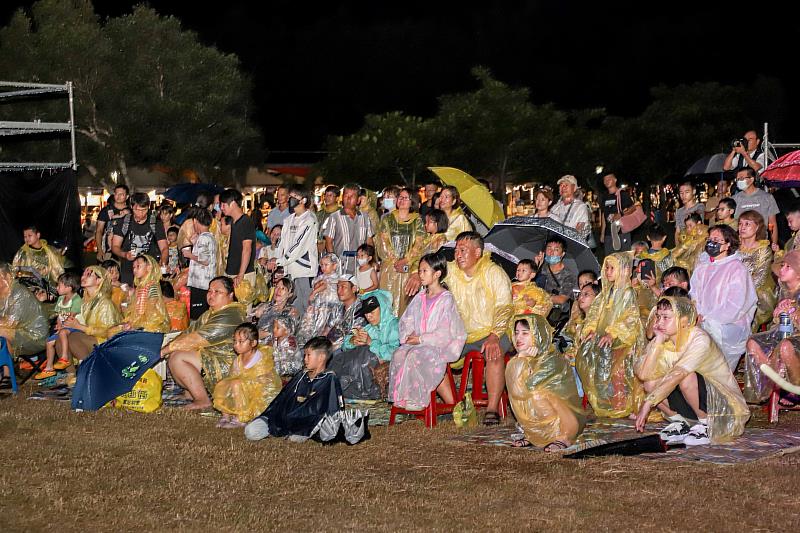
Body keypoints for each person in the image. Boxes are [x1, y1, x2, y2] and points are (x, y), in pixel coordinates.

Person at [634, 296, 750, 445]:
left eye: (666, 318)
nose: (659, 322)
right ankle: (681, 422)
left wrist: (648, 404)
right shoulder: (666, 339)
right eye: (658, 317)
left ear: (683, 320)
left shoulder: (699, 339)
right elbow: (644, 374)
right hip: (691, 395)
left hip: (720, 403)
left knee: (685, 376)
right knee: (650, 383)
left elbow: (679, 373)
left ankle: (706, 424)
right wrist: (657, 342)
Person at [446, 232, 513, 425]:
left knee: (494, 351)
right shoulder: (450, 271)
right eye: (456, 250)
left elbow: (504, 307)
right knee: (435, 352)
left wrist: (494, 336)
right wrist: (418, 274)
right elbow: (430, 268)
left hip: (493, 330)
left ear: (477, 252)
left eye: (463, 250)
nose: (458, 254)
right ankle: (454, 404)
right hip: (462, 335)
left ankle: (492, 408)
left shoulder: (493, 272)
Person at [388, 251, 466, 409]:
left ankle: (417, 398)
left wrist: (422, 339)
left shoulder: (446, 299)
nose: (420, 275)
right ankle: (401, 397)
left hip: (438, 346)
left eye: (425, 271)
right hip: (418, 342)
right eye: (419, 271)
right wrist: (409, 335)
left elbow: (445, 331)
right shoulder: (420, 296)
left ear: (437, 274)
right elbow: (407, 319)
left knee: (416, 356)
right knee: (399, 354)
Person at [577, 252, 645, 418]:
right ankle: (614, 405)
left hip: (623, 339)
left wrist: (613, 333)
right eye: (606, 268)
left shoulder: (627, 292)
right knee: (605, 371)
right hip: (605, 340)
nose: (607, 271)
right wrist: (591, 329)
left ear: (623, 270)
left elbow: (629, 317)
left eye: (612, 268)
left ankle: (624, 407)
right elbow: (594, 313)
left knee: (621, 373)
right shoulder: (606, 292)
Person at [161, 276, 246, 410]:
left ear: (231, 295)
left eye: (217, 292)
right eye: (209, 291)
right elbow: (189, 333)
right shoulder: (210, 313)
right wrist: (168, 346)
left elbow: (197, 338)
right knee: (176, 352)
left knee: (178, 357)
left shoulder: (231, 314)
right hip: (212, 356)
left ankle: (202, 400)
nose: (211, 295)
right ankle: (191, 393)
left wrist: (165, 350)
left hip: (227, 364)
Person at [507, 314, 586, 451]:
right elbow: (515, 390)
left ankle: (564, 438)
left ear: (538, 335)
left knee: (537, 394)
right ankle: (534, 435)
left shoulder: (551, 360)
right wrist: (520, 358)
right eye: (516, 333)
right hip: (542, 422)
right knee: (523, 396)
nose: (518, 338)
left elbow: (524, 389)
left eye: (525, 333)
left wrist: (520, 360)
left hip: (567, 423)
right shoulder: (523, 358)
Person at [244, 336, 345, 443]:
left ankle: (297, 432)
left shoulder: (329, 379)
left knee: (295, 439)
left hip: (305, 424)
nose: (305, 359)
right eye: (304, 355)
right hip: (283, 420)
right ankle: (282, 430)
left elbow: (333, 410)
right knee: (251, 431)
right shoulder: (301, 376)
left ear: (321, 357)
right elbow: (280, 401)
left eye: (308, 355)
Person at [689, 224, 757, 371]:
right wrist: (697, 312)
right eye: (710, 239)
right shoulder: (703, 265)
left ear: (727, 245)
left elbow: (736, 304)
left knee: (719, 372)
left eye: (716, 239)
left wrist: (707, 317)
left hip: (726, 326)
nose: (711, 242)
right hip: (702, 321)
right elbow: (694, 292)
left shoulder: (736, 268)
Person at [744, 250, 800, 402]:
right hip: (782, 333)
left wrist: (795, 312)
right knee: (752, 342)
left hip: (796, 338)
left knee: (785, 347)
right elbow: (778, 321)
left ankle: (793, 390)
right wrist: (779, 312)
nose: (782, 269)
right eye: (782, 265)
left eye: (788, 267)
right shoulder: (784, 290)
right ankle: (772, 374)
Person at [328, 290, 399, 400]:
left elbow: (396, 352)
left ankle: (347, 386)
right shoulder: (370, 328)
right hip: (364, 371)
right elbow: (345, 345)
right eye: (366, 313)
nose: (368, 316)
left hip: (388, 371)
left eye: (372, 312)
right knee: (340, 356)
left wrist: (371, 342)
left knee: (366, 353)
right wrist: (353, 341)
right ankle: (333, 384)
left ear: (383, 308)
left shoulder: (395, 326)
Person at [213, 322, 282, 428]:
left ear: (253, 343)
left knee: (237, 383)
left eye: (241, 342)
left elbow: (266, 380)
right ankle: (226, 416)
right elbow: (233, 376)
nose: (236, 345)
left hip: (259, 394)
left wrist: (244, 383)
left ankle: (241, 419)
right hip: (243, 391)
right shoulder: (238, 360)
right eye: (235, 341)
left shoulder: (261, 358)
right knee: (223, 384)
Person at [58, 266, 123, 367]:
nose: (83, 277)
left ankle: (89, 369)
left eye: (88, 274)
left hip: (104, 342)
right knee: (61, 338)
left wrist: (79, 327)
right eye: (83, 273)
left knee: (73, 338)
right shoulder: (83, 301)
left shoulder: (105, 303)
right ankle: (71, 375)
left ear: (99, 280)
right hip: (87, 337)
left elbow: (109, 332)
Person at [375, 187, 426, 315]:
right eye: (400, 197)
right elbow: (382, 241)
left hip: (408, 269)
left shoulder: (417, 221)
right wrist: (395, 260)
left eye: (406, 198)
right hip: (390, 268)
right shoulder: (387, 219)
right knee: (387, 305)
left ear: (412, 202)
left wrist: (406, 260)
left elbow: (419, 244)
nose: (402, 200)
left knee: (406, 306)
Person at [269, 187, 318, 317]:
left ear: (303, 200)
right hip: (290, 271)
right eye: (290, 196)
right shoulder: (289, 220)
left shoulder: (309, 220)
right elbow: (282, 244)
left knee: (306, 308)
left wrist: (279, 261)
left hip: (304, 271)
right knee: (292, 308)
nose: (291, 199)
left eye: (294, 196)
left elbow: (298, 246)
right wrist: (276, 260)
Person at [0, 263, 48, 381]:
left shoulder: (19, 292)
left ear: (7, 276)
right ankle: (7, 374)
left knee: (2, 331)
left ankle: (7, 373)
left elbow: (11, 322)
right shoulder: (3, 293)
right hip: (15, 331)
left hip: (35, 335)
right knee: (3, 333)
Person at [111, 192, 168, 286]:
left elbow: (164, 248)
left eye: (144, 210)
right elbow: (115, 246)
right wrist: (125, 254)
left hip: (149, 270)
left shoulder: (155, 223)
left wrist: (164, 261)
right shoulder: (124, 222)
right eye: (137, 210)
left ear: (148, 207)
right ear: (131, 207)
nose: (140, 213)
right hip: (128, 270)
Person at [34, 271, 83, 379]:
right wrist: (58, 324)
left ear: (69, 287)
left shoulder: (76, 299)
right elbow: (59, 315)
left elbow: (72, 316)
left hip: (75, 326)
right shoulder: (60, 299)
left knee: (63, 332)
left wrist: (62, 326)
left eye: (59, 285)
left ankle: (64, 357)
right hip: (64, 326)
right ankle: (49, 367)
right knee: (49, 342)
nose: (56, 288)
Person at [324, 183, 375, 276]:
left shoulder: (365, 217)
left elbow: (369, 241)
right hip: (341, 264)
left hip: (361, 263)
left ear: (358, 200)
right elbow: (328, 242)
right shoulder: (335, 217)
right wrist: (333, 262)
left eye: (352, 196)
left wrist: (372, 261)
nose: (348, 199)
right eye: (346, 195)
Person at [737, 210, 777, 330]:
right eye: (740, 224)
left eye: (747, 224)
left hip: (758, 291)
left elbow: (759, 278)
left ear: (757, 227)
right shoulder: (733, 247)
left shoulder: (763, 249)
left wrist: (739, 293)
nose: (742, 227)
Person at [111, 255, 170, 334]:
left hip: (152, 326)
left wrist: (135, 325)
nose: (135, 269)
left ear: (149, 268)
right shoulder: (139, 287)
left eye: (138, 266)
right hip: (140, 323)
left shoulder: (152, 286)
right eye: (133, 267)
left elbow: (151, 312)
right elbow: (134, 309)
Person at [296, 253, 343, 345]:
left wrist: (314, 292)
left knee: (327, 327)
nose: (323, 267)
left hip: (331, 307)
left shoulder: (336, 278)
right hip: (319, 307)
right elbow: (317, 284)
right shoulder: (321, 277)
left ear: (334, 266)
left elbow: (325, 285)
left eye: (326, 265)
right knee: (314, 325)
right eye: (321, 265)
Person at [182, 208, 218, 320]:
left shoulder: (203, 238)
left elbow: (205, 260)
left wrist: (189, 254)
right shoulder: (210, 236)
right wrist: (195, 243)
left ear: (196, 221)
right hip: (207, 282)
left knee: (197, 316)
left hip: (200, 283)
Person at [534, 236, 577, 326]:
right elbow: (529, 285)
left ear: (562, 254)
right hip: (535, 307)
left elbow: (561, 299)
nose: (551, 252)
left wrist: (539, 298)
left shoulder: (568, 275)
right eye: (549, 248)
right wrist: (536, 267)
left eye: (556, 249)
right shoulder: (541, 267)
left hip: (554, 313)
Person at [732, 167, 779, 247]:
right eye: (738, 179)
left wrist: (774, 243)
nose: (739, 181)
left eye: (742, 178)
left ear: (751, 179)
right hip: (741, 243)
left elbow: (772, 223)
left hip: (761, 242)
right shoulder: (734, 199)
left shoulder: (767, 197)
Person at [219, 189, 256, 290]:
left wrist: (241, 274)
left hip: (243, 275)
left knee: (244, 305)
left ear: (233, 203)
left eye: (223, 204)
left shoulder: (245, 221)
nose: (221, 208)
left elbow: (247, 249)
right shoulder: (234, 222)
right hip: (233, 273)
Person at [12, 225, 65, 289]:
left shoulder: (49, 250)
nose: (27, 239)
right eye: (25, 236)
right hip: (28, 287)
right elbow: (14, 268)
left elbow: (58, 268)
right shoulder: (22, 252)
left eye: (29, 236)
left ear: (38, 235)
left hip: (48, 287)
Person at [255, 277, 300, 343]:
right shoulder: (266, 306)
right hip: (258, 343)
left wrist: (259, 335)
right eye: (277, 287)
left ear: (290, 294)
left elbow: (286, 333)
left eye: (283, 288)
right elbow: (256, 315)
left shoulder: (291, 311)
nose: (278, 290)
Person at [327, 274, 366, 350]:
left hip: (347, 350)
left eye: (343, 287)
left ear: (354, 289)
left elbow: (354, 338)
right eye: (338, 287)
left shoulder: (361, 310)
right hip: (330, 346)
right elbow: (328, 328)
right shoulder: (338, 307)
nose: (339, 291)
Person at [599, 173, 636, 253]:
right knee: (610, 260)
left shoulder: (622, 194)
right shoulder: (604, 197)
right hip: (608, 234)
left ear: (615, 180)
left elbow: (633, 208)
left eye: (609, 179)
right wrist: (602, 233)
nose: (606, 181)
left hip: (621, 232)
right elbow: (604, 215)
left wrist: (620, 214)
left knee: (623, 260)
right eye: (605, 180)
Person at [550, 175, 592, 243]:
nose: (563, 187)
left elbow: (581, 231)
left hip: (572, 245)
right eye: (561, 185)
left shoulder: (580, 207)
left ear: (574, 188)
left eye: (566, 185)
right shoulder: (555, 207)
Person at [95, 184, 130, 262]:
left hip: (126, 250)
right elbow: (99, 230)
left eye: (122, 194)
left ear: (127, 196)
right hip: (108, 250)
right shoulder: (106, 210)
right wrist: (100, 250)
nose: (118, 196)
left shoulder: (130, 211)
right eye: (116, 194)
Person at [270, 312, 301, 377]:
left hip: (289, 372)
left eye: (278, 328)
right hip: (278, 366)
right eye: (274, 327)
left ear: (287, 330)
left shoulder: (290, 343)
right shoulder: (276, 338)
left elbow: (286, 362)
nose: (274, 330)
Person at [316, 184, 341, 251]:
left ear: (337, 198)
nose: (327, 198)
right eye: (326, 195)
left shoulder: (341, 214)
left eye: (330, 195)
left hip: (334, 249)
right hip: (318, 249)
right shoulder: (319, 214)